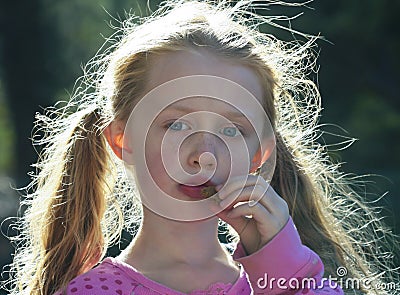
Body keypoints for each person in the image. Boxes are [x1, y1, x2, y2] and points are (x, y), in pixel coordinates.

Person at [5, 0, 399, 294]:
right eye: (176, 125)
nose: (203, 154)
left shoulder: (293, 279)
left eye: (231, 130)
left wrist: (287, 271)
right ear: (122, 140)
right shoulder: (95, 292)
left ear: (259, 153)